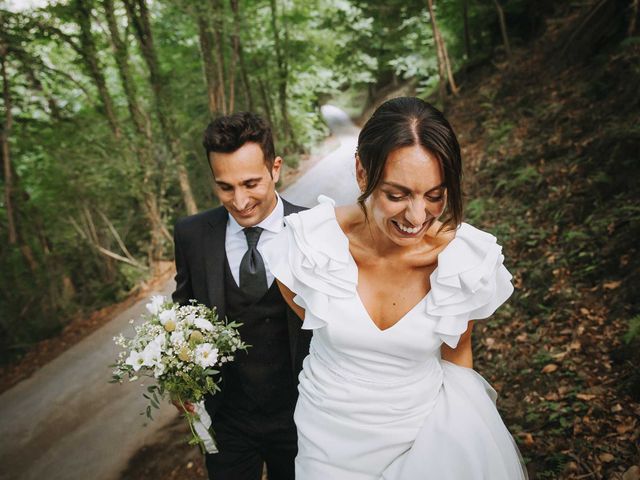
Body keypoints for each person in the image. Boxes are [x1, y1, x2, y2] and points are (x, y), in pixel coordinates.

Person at [261, 97, 529, 479]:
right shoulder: (307, 249)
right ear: (361, 172)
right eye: (397, 194)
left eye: (434, 195)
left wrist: (464, 449)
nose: (417, 216)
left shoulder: (461, 263)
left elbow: (458, 358)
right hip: (325, 446)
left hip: (424, 444)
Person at [171, 112, 311, 480]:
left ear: (275, 168)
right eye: (225, 187)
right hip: (229, 421)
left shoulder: (315, 229)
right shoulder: (192, 235)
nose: (240, 200)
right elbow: (183, 314)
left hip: (303, 418)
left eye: (251, 183)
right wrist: (179, 377)